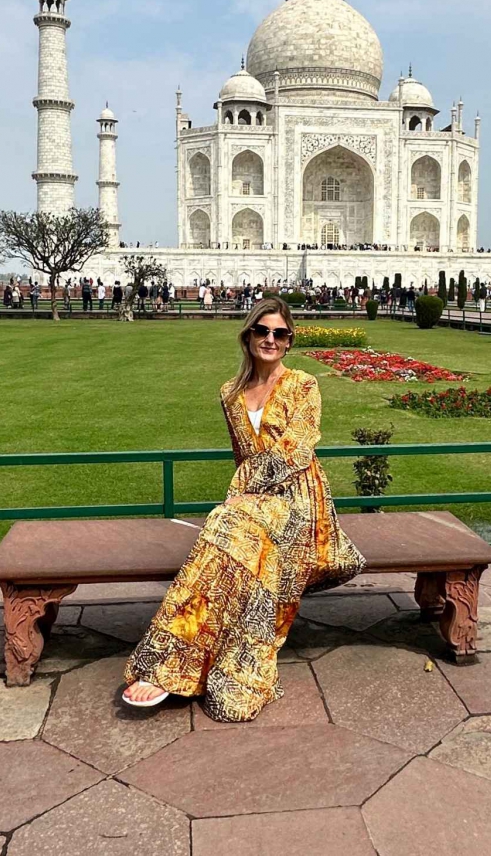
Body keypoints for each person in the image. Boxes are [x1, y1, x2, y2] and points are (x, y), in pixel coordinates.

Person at [121, 298, 364, 720]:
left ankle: (167, 663)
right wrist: (245, 496)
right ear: (248, 335)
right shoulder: (230, 393)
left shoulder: (304, 384)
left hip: (300, 498)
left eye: (280, 334)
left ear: (289, 342)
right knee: (230, 539)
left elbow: (297, 449)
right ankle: (173, 665)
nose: (270, 340)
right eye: (262, 331)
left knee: (225, 521)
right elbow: (242, 456)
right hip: (253, 502)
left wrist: (243, 495)